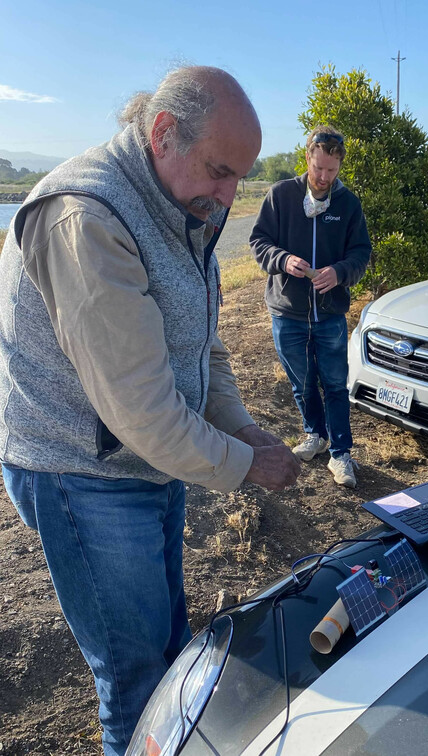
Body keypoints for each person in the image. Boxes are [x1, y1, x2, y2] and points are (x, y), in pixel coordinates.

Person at [0, 66, 301, 756]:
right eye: (221, 172)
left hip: (148, 462)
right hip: (83, 474)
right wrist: (247, 464)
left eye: (239, 177)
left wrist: (241, 427)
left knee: (168, 642)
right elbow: (141, 413)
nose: (230, 197)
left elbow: (202, 344)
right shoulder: (88, 218)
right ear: (164, 132)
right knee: (135, 682)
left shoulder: (184, 203)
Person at [250, 126, 372, 488]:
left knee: (335, 384)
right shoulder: (281, 195)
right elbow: (258, 241)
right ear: (308, 158)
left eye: (331, 171)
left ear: (339, 167)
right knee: (301, 383)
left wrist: (339, 272)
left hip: (330, 314)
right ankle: (314, 435)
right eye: (318, 168)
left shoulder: (347, 204)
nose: (323, 178)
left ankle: (340, 454)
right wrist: (282, 259)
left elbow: (361, 253)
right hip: (287, 312)